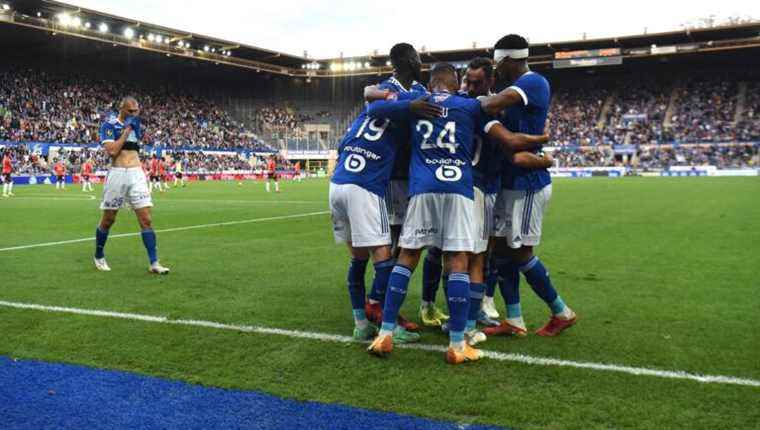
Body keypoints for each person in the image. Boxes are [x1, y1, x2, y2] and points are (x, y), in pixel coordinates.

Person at [365, 63, 548, 364]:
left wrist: (409, 105)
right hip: (459, 188)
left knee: (408, 255)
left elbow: (372, 109)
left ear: (431, 82)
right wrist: (541, 140)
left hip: (422, 187)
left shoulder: (416, 103)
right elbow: (505, 135)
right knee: (459, 260)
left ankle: (385, 333)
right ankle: (457, 345)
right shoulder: (470, 105)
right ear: (455, 83)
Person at [329, 69, 441, 343]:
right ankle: (383, 315)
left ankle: (360, 324)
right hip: (367, 187)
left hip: (337, 183)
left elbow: (343, 144)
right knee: (384, 256)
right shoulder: (405, 115)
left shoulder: (364, 116)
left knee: (358, 258)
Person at [480, 34, 576, 337]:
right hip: (511, 180)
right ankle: (515, 319)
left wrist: (474, 102)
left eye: (497, 66)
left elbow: (493, 103)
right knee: (500, 251)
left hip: (528, 184)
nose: (496, 72)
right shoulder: (517, 85)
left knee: (520, 252)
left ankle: (561, 311)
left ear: (507, 60)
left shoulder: (533, 82)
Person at [361, 42, 429, 333]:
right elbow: (370, 99)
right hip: (392, 176)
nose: (420, 62)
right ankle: (379, 303)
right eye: (416, 58)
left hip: (408, 176)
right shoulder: (389, 87)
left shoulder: (415, 88)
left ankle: (382, 302)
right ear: (407, 61)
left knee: (403, 242)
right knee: (393, 241)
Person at [94, 97, 170, 274]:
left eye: (136, 111)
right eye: (131, 111)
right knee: (109, 219)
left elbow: (133, 151)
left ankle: (154, 263)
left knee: (146, 219)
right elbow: (112, 151)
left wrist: (132, 127)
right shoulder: (109, 125)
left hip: (136, 173)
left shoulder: (137, 126)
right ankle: (98, 255)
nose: (134, 114)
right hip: (118, 173)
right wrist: (127, 130)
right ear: (122, 109)